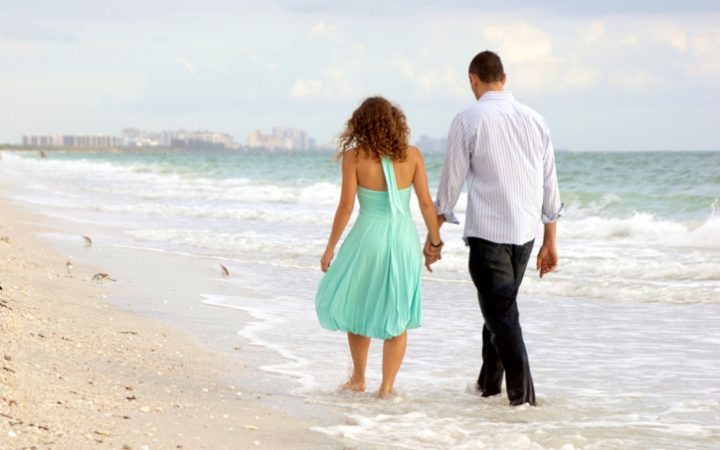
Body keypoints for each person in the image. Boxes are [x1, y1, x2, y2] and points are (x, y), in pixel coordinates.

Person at [428, 50, 564, 406]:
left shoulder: (468, 119)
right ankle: (487, 387)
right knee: (498, 313)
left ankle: (523, 401)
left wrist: (434, 235)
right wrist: (550, 241)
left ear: (473, 79)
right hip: (525, 233)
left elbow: (450, 185)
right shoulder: (536, 119)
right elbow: (550, 182)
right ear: (504, 78)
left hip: (488, 235)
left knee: (502, 316)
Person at [316, 96, 443, 399]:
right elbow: (426, 202)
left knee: (357, 304)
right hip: (402, 240)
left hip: (367, 238)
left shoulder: (354, 157)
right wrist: (435, 240)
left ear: (360, 124)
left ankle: (359, 378)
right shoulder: (412, 155)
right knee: (397, 312)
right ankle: (386, 388)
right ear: (395, 121)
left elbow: (346, 207)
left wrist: (330, 247)